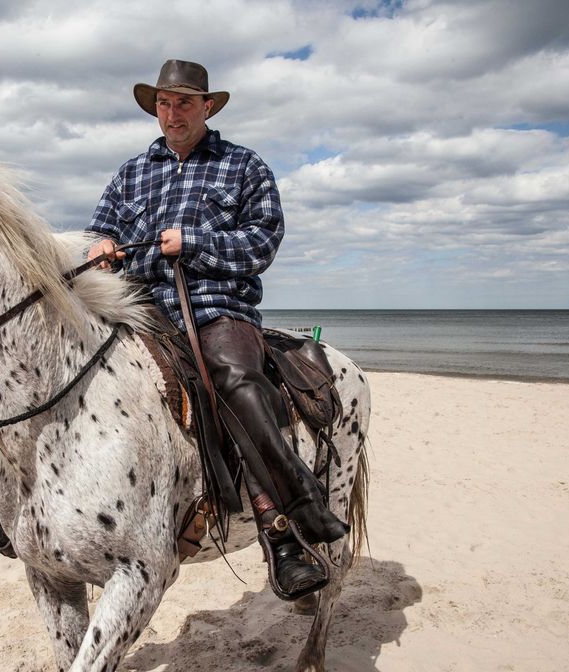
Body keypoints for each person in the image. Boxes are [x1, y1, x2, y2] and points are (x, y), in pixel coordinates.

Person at [85, 59, 348, 598]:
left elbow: (262, 243)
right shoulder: (131, 171)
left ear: (208, 107)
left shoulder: (244, 166)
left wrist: (196, 243)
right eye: (163, 102)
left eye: (184, 102)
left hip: (215, 307)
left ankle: (287, 529)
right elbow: (102, 226)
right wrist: (99, 247)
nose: (172, 112)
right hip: (139, 307)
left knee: (233, 383)